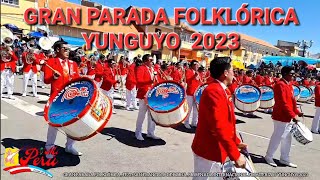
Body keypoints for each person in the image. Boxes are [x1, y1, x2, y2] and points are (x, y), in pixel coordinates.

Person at [191, 57, 247, 180]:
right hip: (209, 150)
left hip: (217, 148)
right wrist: (235, 155)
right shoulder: (214, 91)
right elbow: (219, 127)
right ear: (225, 73)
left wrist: (236, 141)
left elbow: (227, 124)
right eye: (232, 70)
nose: (234, 74)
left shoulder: (222, 89)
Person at [43, 41, 82, 158]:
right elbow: (46, 80)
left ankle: (69, 146)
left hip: (71, 99)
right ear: (57, 50)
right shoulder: (51, 62)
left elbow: (77, 80)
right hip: (56, 99)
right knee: (54, 125)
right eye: (64, 49)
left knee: (72, 124)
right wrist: (53, 77)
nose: (67, 51)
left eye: (68, 49)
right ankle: (49, 148)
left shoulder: (73, 64)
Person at [265, 66, 303, 168]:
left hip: (288, 116)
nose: (293, 76)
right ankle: (269, 156)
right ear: (285, 74)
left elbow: (292, 101)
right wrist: (293, 115)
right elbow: (282, 103)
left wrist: (297, 112)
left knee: (287, 139)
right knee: (278, 137)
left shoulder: (289, 84)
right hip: (280, 116)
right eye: (292, 74)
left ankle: (284, 158)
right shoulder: (280, 85)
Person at [135, 54, 160, 141]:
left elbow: (156, 80)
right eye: (150, 60)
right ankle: (138, 132)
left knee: (152, 115)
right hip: (144, 94)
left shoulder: (153, 69)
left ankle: (150, 132)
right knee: (142, 114)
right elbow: (139, 80)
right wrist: (150, 81)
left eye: (152, 60)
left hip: (152, 94)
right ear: (145, 61)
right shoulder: (141, 68)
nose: (152, 61)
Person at [184, 60, 201, 129]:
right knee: (189, 109)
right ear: (193, 65)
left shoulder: (197, 73)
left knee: (196, 109)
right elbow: (188, 80)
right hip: (190, 93)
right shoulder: (189, 71)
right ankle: (186, 122)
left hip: (196, 93)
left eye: (198, 65)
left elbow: (199, 82)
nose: (198, 66)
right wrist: (194, 76)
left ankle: (194, 122)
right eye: (196, 65)